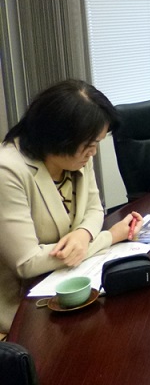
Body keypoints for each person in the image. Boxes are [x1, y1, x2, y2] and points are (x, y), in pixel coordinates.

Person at [0, 80, 142, 335]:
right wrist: (108, 237)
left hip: (69, 287)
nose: (93, 153)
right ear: (59, 137)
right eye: (89, 144)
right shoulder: (8, 171)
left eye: (97, 143)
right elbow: (27, 262)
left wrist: (83, 234)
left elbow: (95, 209)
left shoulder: (76, 156)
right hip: (22, 311)